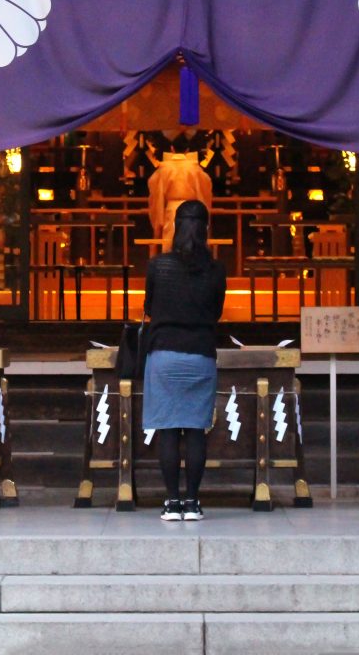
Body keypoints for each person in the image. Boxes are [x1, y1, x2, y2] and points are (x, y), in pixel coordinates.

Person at [142, 200, 227, 521]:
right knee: (194, 430)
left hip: (164, 353)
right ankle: (192, 502)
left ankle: (171, 502)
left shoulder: (158, 265)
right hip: (200, 354)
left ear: (176, 227)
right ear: (205, 228)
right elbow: (216, 311)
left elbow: (149, 306)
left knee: (168, 430)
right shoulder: (216, 269)